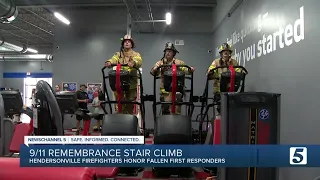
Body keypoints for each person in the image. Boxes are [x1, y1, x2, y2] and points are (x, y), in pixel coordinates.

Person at [150, 42, 195, 114]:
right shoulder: (160, 63)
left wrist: (190, 69)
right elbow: (153, 72)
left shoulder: (179, 62)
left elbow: (186, 70)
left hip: (176, 91)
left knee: (176, 111)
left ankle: (176, 124)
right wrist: (156, 69)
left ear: (174, 53)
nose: (168, 53)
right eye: (166, 51)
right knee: (166, 113)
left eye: (170, 51)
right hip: (165, 92)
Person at [105, 34, 143, 114]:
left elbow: (139, 61)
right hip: (120, 83)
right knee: (119, 103)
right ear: (122, 44)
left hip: (131, 83)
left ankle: (129, 120)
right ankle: (120, 119)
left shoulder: (136, 54)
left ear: (132, 44)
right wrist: (109, 62)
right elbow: (114, 59)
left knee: (130, 103)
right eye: (125, 42)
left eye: (129, 42)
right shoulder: (118, 54)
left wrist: (133, 62)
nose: (127, 43)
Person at [206, 43, 245, 114]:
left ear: (230, 53)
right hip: (219, 90)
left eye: (227, 51)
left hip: (232, 90)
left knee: (234, 109)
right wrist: (211, 72)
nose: (226, 53)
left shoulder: (234, 62)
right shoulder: (216, 62)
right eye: (224, 51)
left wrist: (242, 72)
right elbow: (210, 71)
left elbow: (238, 71)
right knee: (221, 109)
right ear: (221, 53)